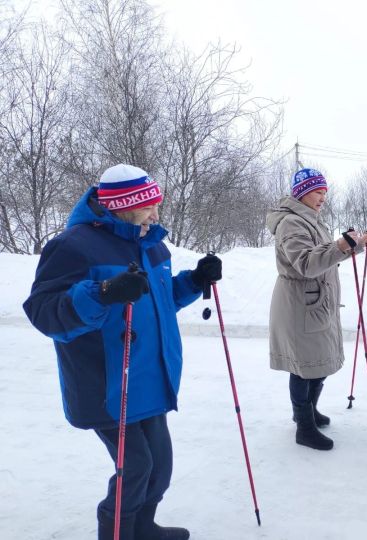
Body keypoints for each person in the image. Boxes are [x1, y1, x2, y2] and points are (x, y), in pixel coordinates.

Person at [23, 164, 222, 540]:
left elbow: (160, 302)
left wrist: (194, 281)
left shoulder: (151, 242)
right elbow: (44, 312)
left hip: (149, 377)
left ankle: (143, 527)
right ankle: (116, 532)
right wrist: (101, 294)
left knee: (159, 466)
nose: (156, 214)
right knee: (136, 468)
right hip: (108, 383)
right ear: (124, 206)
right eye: (149, 206)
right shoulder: (73, 246)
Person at [266, 168, 367, 451]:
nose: (323, 197)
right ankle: (304, 426)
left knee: (318, 361)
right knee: (304, 366)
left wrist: (355, 245)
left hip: (315, 301)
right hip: (298, 304)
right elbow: (306, 263)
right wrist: (340, 245)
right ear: (302, 193)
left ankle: (309, 411)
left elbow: (325, 255)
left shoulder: (311, 220)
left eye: (325, 192)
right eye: (317, 192)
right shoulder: (292, 224)